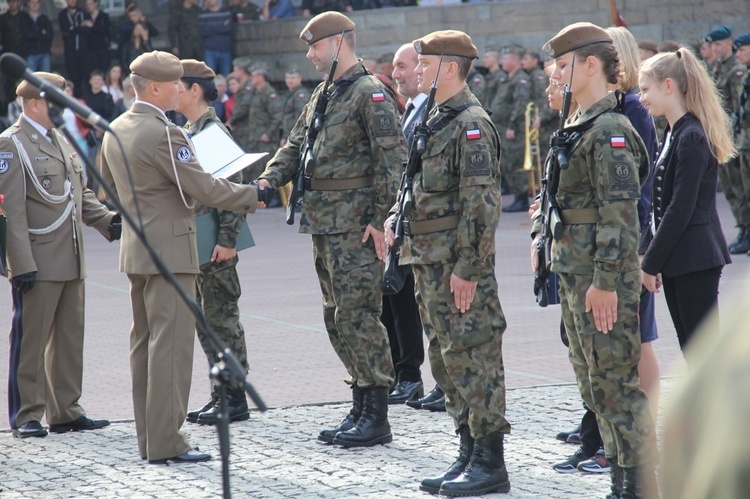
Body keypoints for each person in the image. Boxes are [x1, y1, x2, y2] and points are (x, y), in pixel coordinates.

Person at [99, 50, 273, 464]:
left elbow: (109, 189)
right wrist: (255, 195)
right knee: (171, 350)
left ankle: (149, 437)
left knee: (144, 346)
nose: (182, 88)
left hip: (137, 252)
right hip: (173, 252)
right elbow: (205, 189)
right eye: (175, 82)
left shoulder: (115, 128)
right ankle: (167, 442)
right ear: (155, 88)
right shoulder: (167, 133)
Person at [256, 12, 402, 448]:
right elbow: (296, 143)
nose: (310, 54)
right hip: (324, 223)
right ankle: (360, 403)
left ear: (338, 43)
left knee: (359, 316)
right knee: (337, 316)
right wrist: (267, 179)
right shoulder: (324, 93)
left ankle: (376, 414)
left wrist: (380, 222)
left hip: (356, 225)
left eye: (315, 46)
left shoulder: (369, 94)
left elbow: (392, 163)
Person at [384, 30, 511, 496]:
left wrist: (468, 269)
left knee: (475, 358)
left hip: (456, 267)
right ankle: (467, 452)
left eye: (424, 62)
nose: (417, 69)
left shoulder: (470, 123)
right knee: (445, 359)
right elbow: (416, 182)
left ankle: (490, 461)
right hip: (426, 261)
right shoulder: (435, 119)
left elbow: (481, 205)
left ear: (450, 68)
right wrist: (398, 215)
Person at [544, 22, 655, 497]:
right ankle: (620, 479)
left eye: (565, 65)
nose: (557, 74)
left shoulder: (609, 130)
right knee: (595, 385)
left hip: (599, 278)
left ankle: (637, 484)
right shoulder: (579, 124)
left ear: (591, 66)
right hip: (576, 273)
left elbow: (621, 217)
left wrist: (607, 281)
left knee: (616, 387)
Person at [0, 72, 119, 439]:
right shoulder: (11, 145)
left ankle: (66, 410)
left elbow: (78, 195)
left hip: (71, 254)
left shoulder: (61, 139)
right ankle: (26, 414)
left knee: (69, 338)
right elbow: (10, 211)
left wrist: (110, 222)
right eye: (57, 101)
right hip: (36, 258)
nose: (64, 108)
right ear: (35, 103)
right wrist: (19, 264)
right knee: (31, 339)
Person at [639, 47, 735, 356]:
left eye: (645, 89)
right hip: (680, 257)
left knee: (702, 351)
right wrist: (647, 251)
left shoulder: (691, 135)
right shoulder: (673, 131)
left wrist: (650, 262)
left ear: (668, 86)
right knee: (690, 346)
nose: (642, 97)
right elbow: (658, 202)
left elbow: (680, 207)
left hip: (696, 256)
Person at [176, 59, 251, 426]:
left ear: (194, 89)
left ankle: (235, 396)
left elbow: (233, 191)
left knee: (222, 321)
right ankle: (220, 392)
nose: (173, 91)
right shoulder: (190, 129)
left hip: (215, 242)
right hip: (199, 239)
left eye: (178, 85)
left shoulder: (211, 131)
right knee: (206, 321)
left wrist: (228, 239)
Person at [383, 42, 425, 406]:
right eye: (394, 68)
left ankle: (411, 375)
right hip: (399, 224)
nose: (397, 75)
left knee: (408, 305)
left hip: (420, 230)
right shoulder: (408, 111)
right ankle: (404, 374)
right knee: (394, 301)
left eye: (402, 67)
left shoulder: (429, 113)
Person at [705, 26, 748, 254]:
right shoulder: (716, 68)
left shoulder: (737, 70)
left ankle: (746, 230)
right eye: (713, 45)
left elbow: (736, 108)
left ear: (728, 44)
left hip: (736, 139)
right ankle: (742, 228)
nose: (715, 49)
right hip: (722, 137)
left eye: (718, 44)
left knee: (741, 187)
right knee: (731, 188)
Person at [491, 45, 531, 213]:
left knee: (515, 163)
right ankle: (517, 196)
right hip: (503, 128)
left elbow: (520, 104)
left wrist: (512, 126)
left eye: (506, 59)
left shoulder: (520, 79)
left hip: (513, 129)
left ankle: (521, 198)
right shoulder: (508, 78)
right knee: (507, 162)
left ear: (515, 61)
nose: (502, 62)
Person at [242, 63, 282, 183]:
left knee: (265, 172)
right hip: (255, 139)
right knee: (254, 172)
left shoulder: (269, 93)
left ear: (261, 76)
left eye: (253, 75)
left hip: (265, 142)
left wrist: (268, 134)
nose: (251, 78)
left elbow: (277, 115)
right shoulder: (256, 92)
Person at [58, 0, 91, 97]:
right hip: (70, 52)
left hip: (84, 52)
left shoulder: (84, 13)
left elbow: (88, 30)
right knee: (73, 78)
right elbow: (65, 31)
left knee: (86, 78)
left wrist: (73, 29)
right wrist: (81, 26)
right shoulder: (63, 14)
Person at [199, 0, 233, 77]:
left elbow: (228, 28)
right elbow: (203, 31)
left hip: (225, 49)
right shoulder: (204, 14)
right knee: (210, 76)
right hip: (210, 50)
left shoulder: (225, 12)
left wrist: (211, 28)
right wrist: (221, 27)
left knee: (226, 76)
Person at [20, 0, 54, 72]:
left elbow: (49, 35)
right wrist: (41, 32)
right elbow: (28, 35)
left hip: (45, 53)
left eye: (37, 2)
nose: (35, 4)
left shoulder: (45, 18)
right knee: (31, 79)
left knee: (46, 79)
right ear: (28, 4)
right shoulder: (24, 19)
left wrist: (35, 33)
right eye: (32, 2)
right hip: (30, 54)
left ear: (40, 4)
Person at [83, 0, 111, 74]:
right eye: (87, 5)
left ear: (96, 4)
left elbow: (106, 31)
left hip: (102, 48)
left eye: (90, 4)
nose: (88, 7)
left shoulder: (104, 16)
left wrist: (93, 26)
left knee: (104, 70)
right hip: (90, 49)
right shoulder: (86, 16)